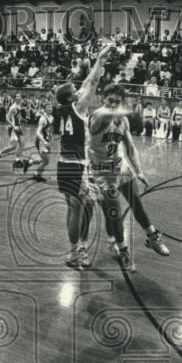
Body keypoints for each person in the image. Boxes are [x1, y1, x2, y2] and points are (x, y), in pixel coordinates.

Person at [87, 84, 169, 271]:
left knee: (137, 203)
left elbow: (130, 148)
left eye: (118, 101)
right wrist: (120, 109)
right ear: (103, 99)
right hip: (102, 172)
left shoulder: (123, 120)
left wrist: (139, 171)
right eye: (110, 100)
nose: (114, 104)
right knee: (115, 213)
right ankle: (123, 250)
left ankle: (152, 236)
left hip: (119, 165)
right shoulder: (97, 116)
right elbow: (99, 121)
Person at [53, 45, 113, 268]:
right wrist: (99, 60)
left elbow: (87, 83)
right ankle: (75, 252)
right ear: (72, 97)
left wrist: (98, 65)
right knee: (78, 209)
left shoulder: (63, 108)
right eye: (75, 90)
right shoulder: (79, 107)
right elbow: (93, 83)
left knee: (76, 207)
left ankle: (76, 250)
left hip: (64, 164)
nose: (79, 89)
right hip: (76, 166)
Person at [21, 100, 53, 182]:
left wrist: (51, 139)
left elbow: (48, 130)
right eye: (48, 107)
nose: (50, 108)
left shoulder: (51, 117)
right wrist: (44, 141)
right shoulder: (43, 119)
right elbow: (38, 132)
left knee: (43, 159)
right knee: (46, 161)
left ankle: (29, 162)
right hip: (41, 141)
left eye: (51, 106)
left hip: (46, 141)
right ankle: (36, 174)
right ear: (44, 109)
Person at [0, 94, 26, 167]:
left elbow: (16, 116)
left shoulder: (19, 105)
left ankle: (17, 160)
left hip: (18, 127)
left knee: (21, 144)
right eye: (17, 96)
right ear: (15, 98)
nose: (19, 98)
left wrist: (22, 119)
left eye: (20, 96)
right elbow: (7, 117)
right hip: (14, 129)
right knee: (14, 146)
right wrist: (13, 126)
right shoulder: (13, 107)